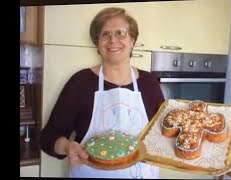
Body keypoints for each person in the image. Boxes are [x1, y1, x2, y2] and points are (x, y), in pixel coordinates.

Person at [39, 7, 165, 178]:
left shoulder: (150, 84)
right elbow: (48, 136)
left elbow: (164, 133)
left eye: (121, 33)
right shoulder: (80, 82)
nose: (113, 40)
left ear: (133, 40)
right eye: (105, 34)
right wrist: (67, 147)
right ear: (97, 43)